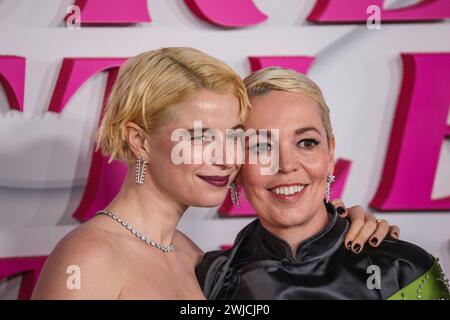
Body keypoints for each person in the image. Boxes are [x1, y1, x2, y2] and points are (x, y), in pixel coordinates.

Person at [32, 48, 399, 299]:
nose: (225, 158)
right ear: (139, 141)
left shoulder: (199, 262)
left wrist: (338, 230)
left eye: (235, 137)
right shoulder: (90, 256)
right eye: (199, 137)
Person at [196, 67, 450, 300]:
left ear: (330, 155)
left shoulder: (402, 268)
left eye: (306, 143)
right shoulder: (208, 279)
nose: (286, 165)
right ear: (237, 163)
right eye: (262, 147)